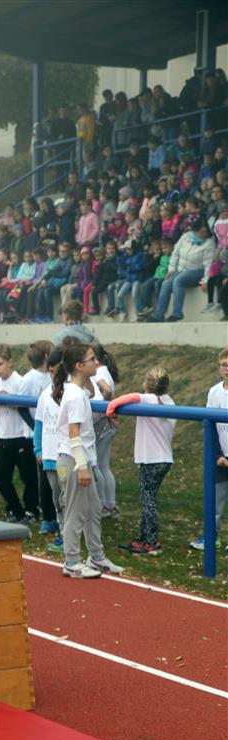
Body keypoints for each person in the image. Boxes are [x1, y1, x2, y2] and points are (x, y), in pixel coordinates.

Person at [53, 342, 123, 578]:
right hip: (74, 461)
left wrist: (87, 377)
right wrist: (82, 467)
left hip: (82, 460)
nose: (97, 362)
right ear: (78, 365)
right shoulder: (74, 396)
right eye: (92, 359)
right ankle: (71, 560)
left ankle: (97, 557)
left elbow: (92, 392)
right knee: (75, 510)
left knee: (93, 509)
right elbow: (74, 434)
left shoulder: (79, 391)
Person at [107, 367, 176, 555]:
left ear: (146, 384)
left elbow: (123, 399)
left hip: (151, 459)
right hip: (163, 459)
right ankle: (143, 537)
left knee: (148, 500)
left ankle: (151, 541)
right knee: (148, 498)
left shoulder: (147, 399)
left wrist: (111, 410)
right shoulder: (169, 401)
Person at [0, 344, 39, 525]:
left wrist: (7, 397)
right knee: (1, 476)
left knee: (28, 477)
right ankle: (14, 508)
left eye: (0, 364)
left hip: (21, 435)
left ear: (10, 362)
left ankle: (32, 509)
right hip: (4, 435)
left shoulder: (20, 381)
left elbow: (24, 406)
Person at [190, 349, 228, 551]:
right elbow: (210, 426)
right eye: (224, 365)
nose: (227, 369)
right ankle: (211, 536)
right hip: (221, 457)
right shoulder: (214, 392)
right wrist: (218, 455)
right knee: (215, 500)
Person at [19, 341, 57, 535]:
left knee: (54, 477)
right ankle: (47, 517)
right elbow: (21, 406)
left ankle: (55, 515)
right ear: (45, 357)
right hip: (39, 434)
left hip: (53, 432)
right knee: (42, 477)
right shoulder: (29, 379)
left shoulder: (55, 378)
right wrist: (35, 426)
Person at [148, 219, 216, 322]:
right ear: (195, 231)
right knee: (166, 284)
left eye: (205, 232)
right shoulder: (186, 237)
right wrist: (171, 269)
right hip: (181, 269)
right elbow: (175, 252)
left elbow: (208, 264)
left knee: (178, 280)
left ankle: (177, 313)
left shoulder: (209, 243)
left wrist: (205, 280)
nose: (204, 234)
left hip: (197, 271)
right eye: (201, 231)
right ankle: (159, 314)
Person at [34, 348, 66, 552]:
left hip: (66, 457)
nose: (55, 376)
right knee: (57, 499)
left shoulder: (72, 394)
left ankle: (69, 534)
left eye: (59, 371)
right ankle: (63, 532)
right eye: (52, 372)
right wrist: (38, 450)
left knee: (67, 498)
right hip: (49, 458)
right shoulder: (45, 395)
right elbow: (39, 425)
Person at [89, 344, 120, 519]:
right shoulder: (105, 371)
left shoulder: (99, 372)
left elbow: (106, 391)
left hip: (102, 423)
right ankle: (110, 504)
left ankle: (102, 504)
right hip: (106, 423)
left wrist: (106, 411)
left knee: (98, 466)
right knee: (104, 465)